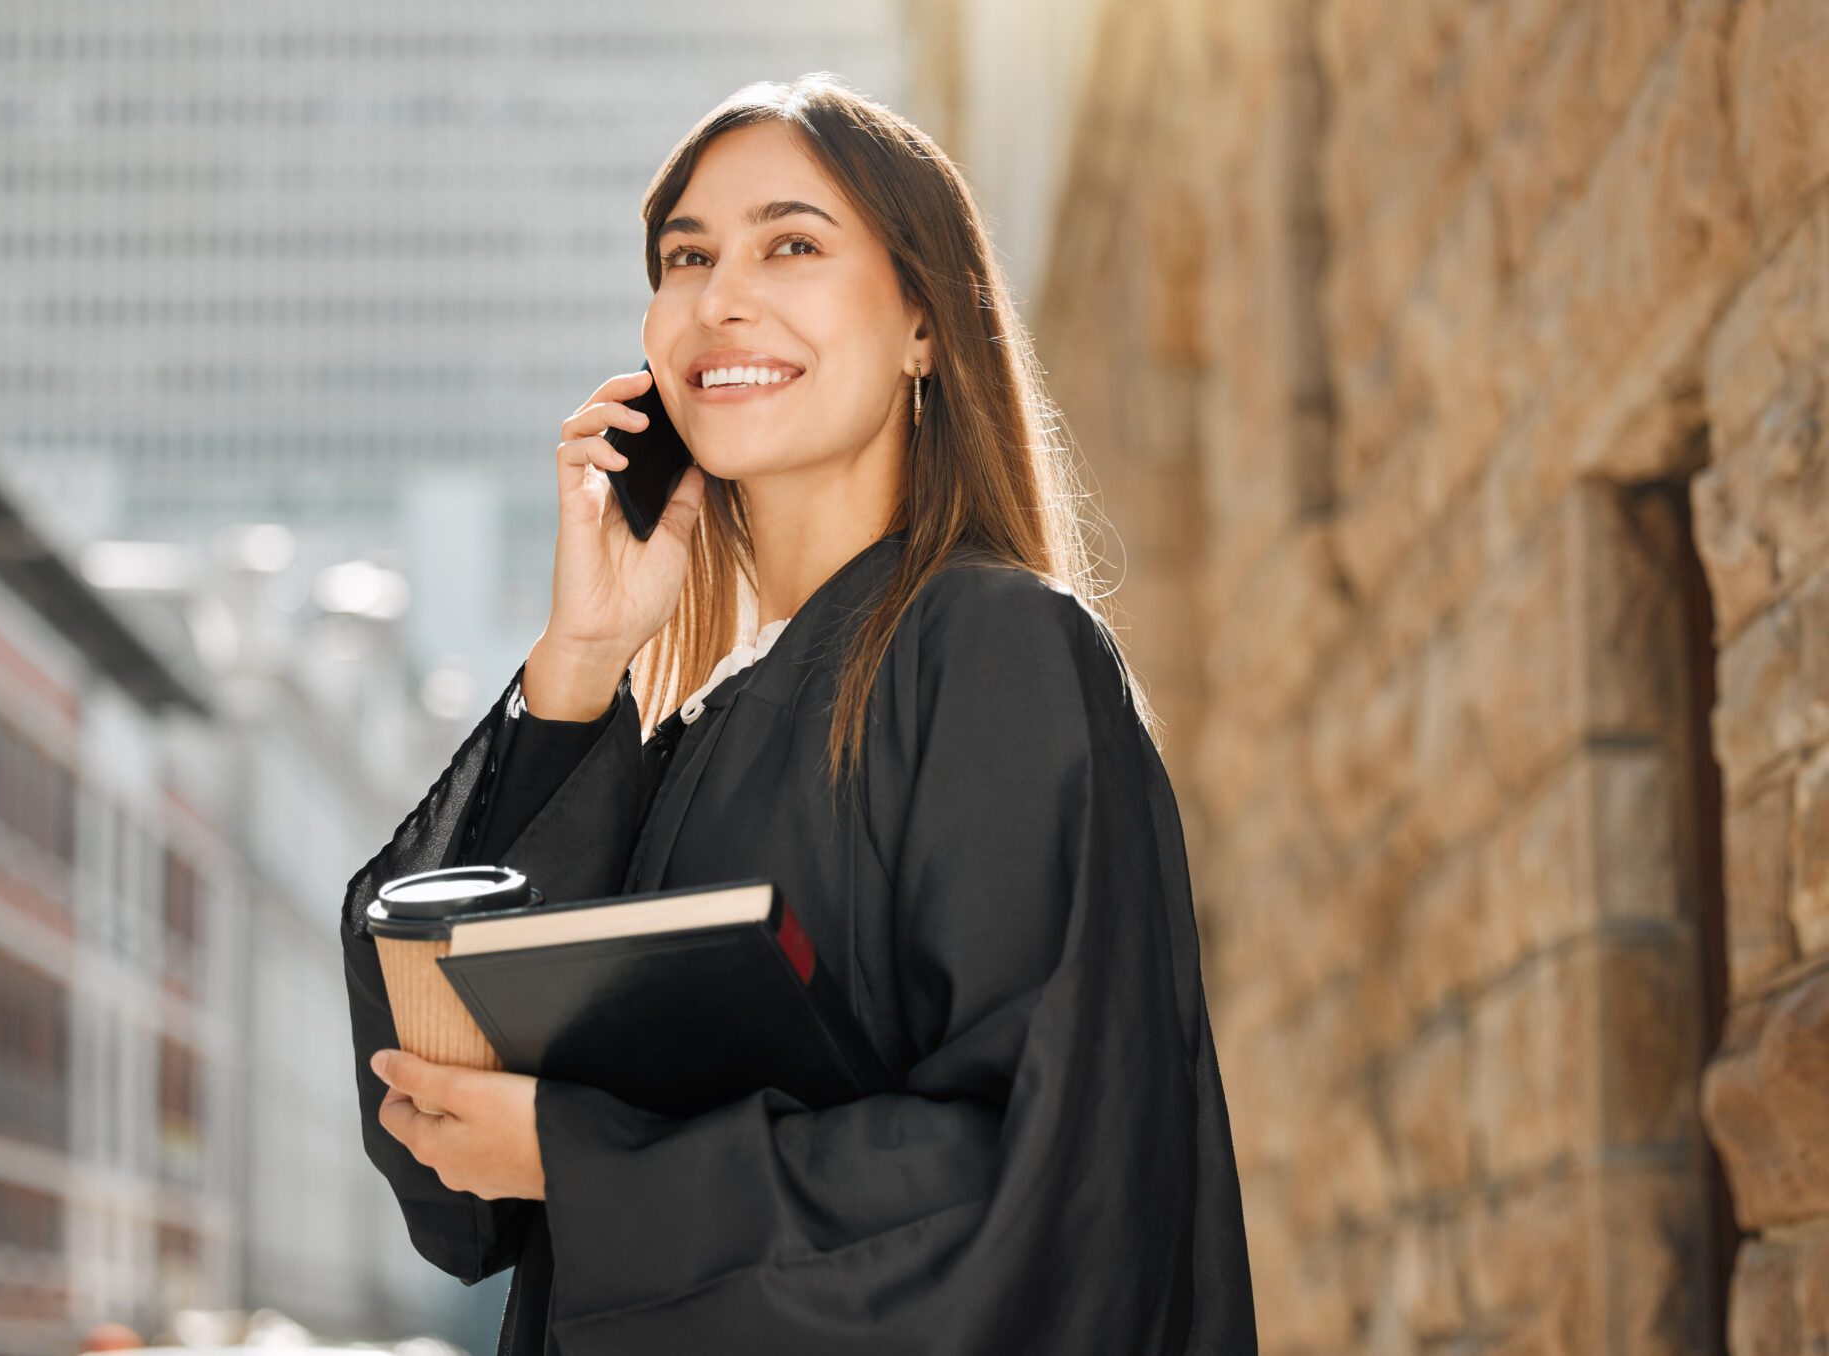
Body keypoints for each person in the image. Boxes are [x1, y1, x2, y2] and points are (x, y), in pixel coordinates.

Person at [341, 75, 1255, 1356]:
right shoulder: (688, 729)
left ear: (925, 322)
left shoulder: (996, 655)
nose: (721, 297)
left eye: (792, 244)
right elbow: (443, 1158)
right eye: (686, 256)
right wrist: (580, 658)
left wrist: (583, 1160)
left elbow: (1036, 1177)